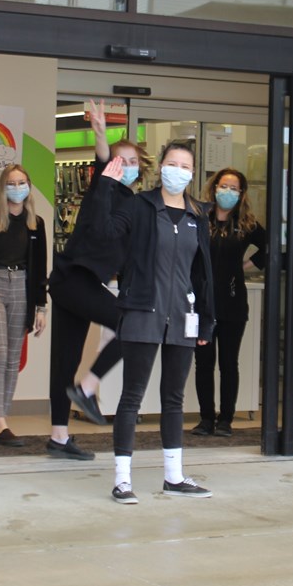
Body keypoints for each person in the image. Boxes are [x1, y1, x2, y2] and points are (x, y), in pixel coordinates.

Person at [91, 140, 216, 504]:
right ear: (161, 167)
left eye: (185, 165)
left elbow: (203, 272)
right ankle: (122, 480)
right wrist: (103, 185)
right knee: (132, 397)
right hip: (143, 310)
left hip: (183, 316)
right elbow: (104, 232)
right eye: (172, 163)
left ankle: (174, 477)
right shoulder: (139, 206)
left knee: (174, 398)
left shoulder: (198, 215)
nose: (178, 170)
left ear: (192, 174)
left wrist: (206, 321)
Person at [48, 98, 148, 459]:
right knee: (128, 324)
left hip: (74, 283)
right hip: (74, 280)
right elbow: (104, 160)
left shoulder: (131, 202)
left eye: (133, 162)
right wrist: (101, 135)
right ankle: (88, 389)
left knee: (65, 360)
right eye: (122, 162)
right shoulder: (103, 189)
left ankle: (59, 437)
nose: (126, 167)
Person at [0, 165, 48, 446]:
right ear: (3, 186)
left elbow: (40, 266)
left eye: (22, 182)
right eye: (11, 182)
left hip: (22, 286)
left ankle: (1, 422)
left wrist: (41, 307)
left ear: (28, 185)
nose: (17, 187)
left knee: (13, 358)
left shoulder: (36, 223)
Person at [191, 168, 267, 437]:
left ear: (242, 193)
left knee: (228, 363)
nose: (228, 192)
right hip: (202, 303)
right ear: (214, 188)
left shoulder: (246, 223)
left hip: (234, 302)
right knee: (203, 363)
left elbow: (270, 246)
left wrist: (248, 263)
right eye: (224, 186)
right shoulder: (200, 218)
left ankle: (226, 420)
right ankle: (206, 419)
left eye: (234, 188)